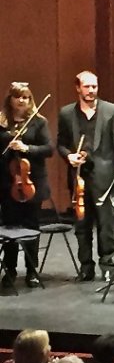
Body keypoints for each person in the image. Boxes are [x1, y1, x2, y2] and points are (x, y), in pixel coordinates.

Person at [56, 71, 114, 283]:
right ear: (78, 88)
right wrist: (68, 156)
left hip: (104, 175)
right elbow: (60, 143)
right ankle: (86, 266)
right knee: (82, 223)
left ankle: (107, 264)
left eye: (94, 87)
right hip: (79, 176)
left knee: (105, 222)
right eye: (87, 87)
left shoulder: (112, 110)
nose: (91, 91)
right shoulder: (66, 113)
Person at [0, 82, 53, 289]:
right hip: (7, 184)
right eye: (18, 97)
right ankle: (10, 270)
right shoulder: (1, 122)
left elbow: (49, 149)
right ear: (10, 100)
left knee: (31, 227)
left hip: (32, 183)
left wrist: (26, 147)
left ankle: (32, 270)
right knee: (10, 228)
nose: (22, 101)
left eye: (26, 97)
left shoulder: (38, 122)